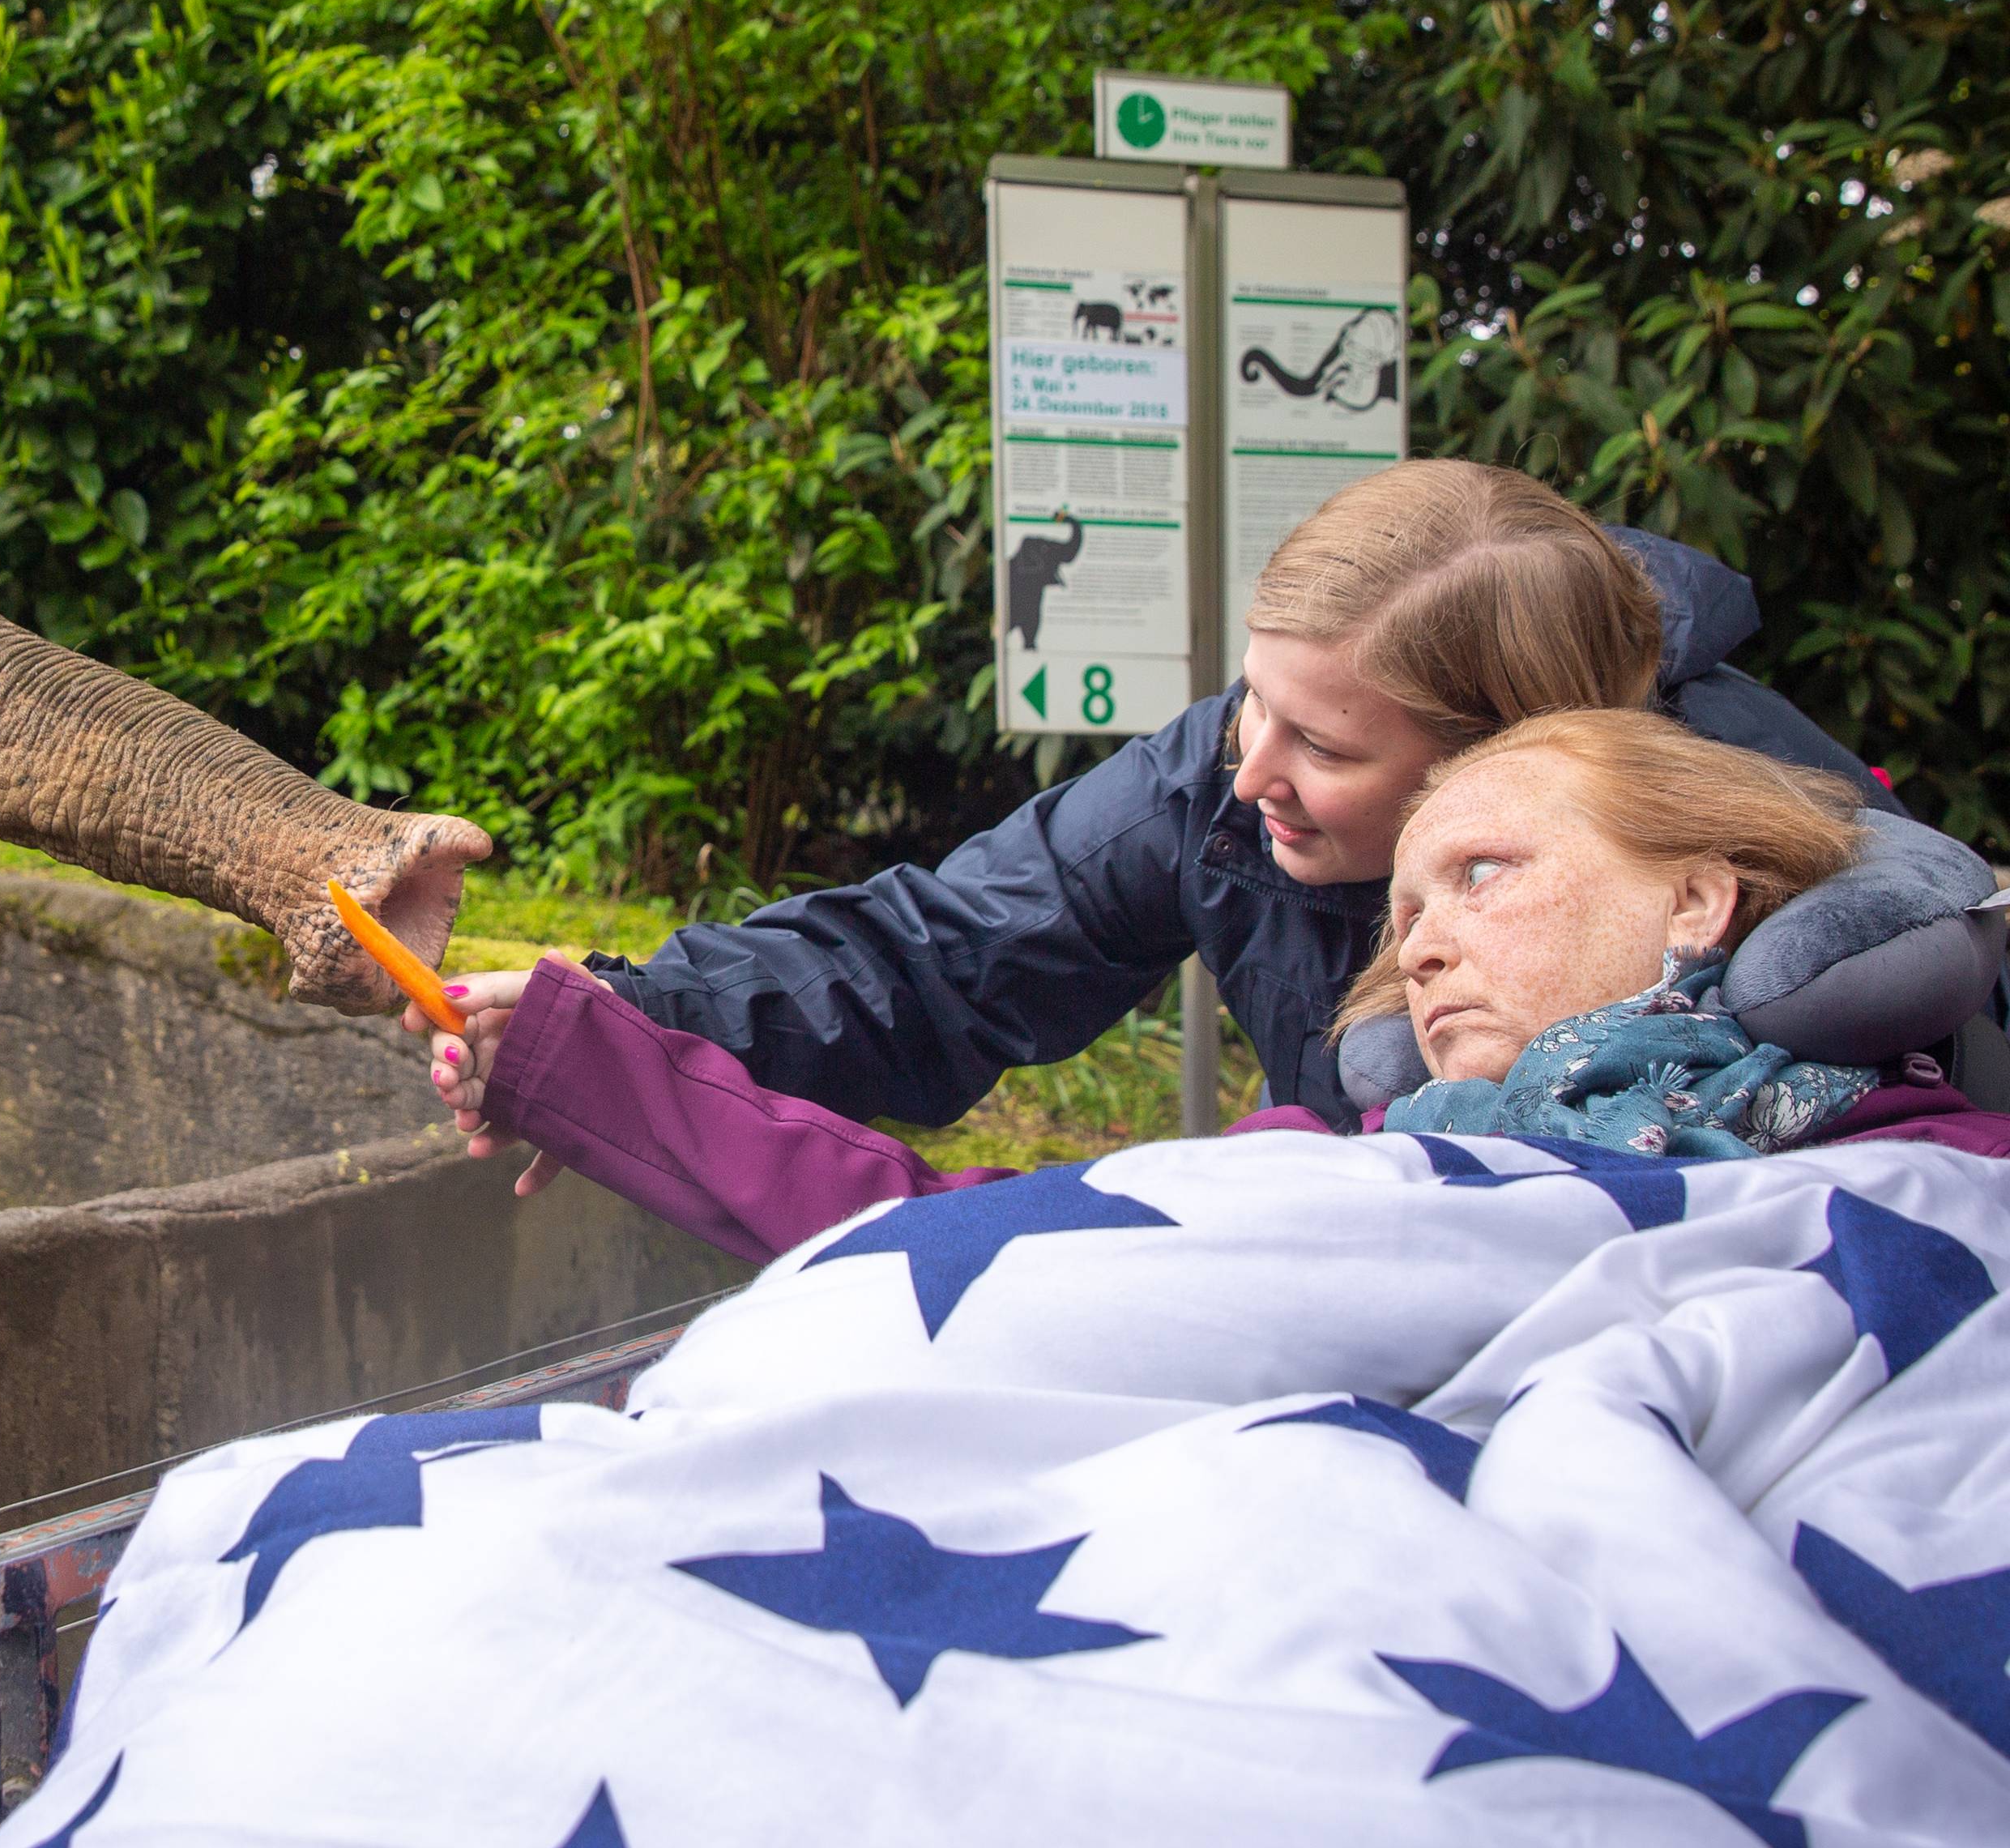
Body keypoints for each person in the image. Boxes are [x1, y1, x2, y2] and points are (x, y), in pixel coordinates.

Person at [425, 459, 1905, 1135]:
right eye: (1253, 694)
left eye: (1323, 746)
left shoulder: (1772, 864)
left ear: (1492, 768)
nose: (1246, 767)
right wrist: (630, 1024)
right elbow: (941, 957)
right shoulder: (1224, 776)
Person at [432, 710, 2010, 1264]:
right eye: (1398, 914)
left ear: (1701, 896)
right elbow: (984, 1247)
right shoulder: (1370, 1177)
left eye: (1480, 877)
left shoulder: (1942, 1177)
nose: (1421, 950)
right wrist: (621, 1045)